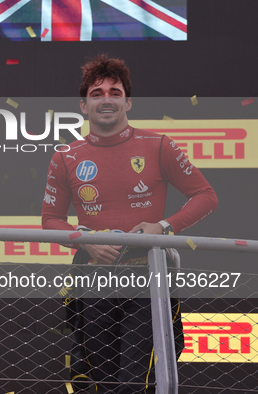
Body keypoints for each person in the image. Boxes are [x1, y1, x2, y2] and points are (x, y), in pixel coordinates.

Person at [42, 54, 218, 393]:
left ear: (128, 102)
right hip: (94, 279)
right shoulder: (66, 155)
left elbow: (206, 196)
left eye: (115, 92)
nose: (106, 99)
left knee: (138, 380)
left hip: (149, 277)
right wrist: (84, 239)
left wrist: (163, 227)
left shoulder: (158, 145)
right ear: (83, 105)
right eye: (97, 93)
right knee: (100, 379)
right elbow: (50, 220)